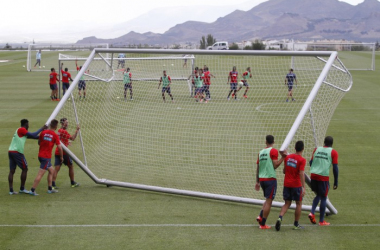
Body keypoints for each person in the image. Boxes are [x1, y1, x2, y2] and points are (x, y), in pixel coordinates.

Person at [8, 119, 45, 195]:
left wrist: (42, 136)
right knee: (25, 169)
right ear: (26, 124)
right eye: (28, 124)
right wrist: (42, 128)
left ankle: (11, 190)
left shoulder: (19, 130)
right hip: (17, 152)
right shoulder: (22, 129)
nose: (29, 126)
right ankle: (22, 188)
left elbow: (33, 137)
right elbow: (32, 135)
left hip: (11, 151)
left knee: (12, 170)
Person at [255, 135, 285, 229]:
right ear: (273, 141)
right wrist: (283, 158)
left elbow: (258, 168)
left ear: (265, 142)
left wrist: (257, 181)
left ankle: (260, 216)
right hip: (270, 179)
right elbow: (275, 165)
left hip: (262, 179)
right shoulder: (273, 151)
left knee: (267, 199)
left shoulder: (261, 152)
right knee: (269, 201)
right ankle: (263, 224)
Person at [275, 141, 306, 231]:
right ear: (303, 149)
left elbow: (284, 171)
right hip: (296, 185)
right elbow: (301, 173)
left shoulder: (288, 157)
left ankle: (280, 217)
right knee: (299, 204)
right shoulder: (302, 160)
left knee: (287, 203)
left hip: (287, 184)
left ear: (295, 148)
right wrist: (303, 187)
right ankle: (296, 224)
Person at [308, 136, 339, 226]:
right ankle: (321, 221)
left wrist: (316, 168)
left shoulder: (316, 149)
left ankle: (312, 212)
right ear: (332, 144)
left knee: (318, 194)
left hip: (313, 175)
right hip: (323, 177)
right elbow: (335, 168)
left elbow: (310, 162)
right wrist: (336, 181)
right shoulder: (333, 152)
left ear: (324, 142)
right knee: (324, 197)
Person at [29, 119, 63, 196]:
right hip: (46, 157)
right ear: (56, 126)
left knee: (51, 171)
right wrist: (61, 157)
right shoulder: (54, 135)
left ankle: (50, 189)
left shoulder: (43, 132)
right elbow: (60, 147)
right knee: (40, 174)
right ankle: (32, 190)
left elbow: (39, 142)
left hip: (40, 155)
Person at [52, 118, 80, 189]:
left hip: (57, 151)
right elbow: (72, 138)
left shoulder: (59, 130)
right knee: (71, 166)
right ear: (62, 123)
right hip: (64, 153)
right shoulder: (64, 131)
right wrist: (77, 130)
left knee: (57, 168)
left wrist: (67, 142)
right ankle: (72, 182)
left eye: (67, 122)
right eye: (66, 123)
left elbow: (60, 140)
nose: (67, 124)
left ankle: (53, 184)